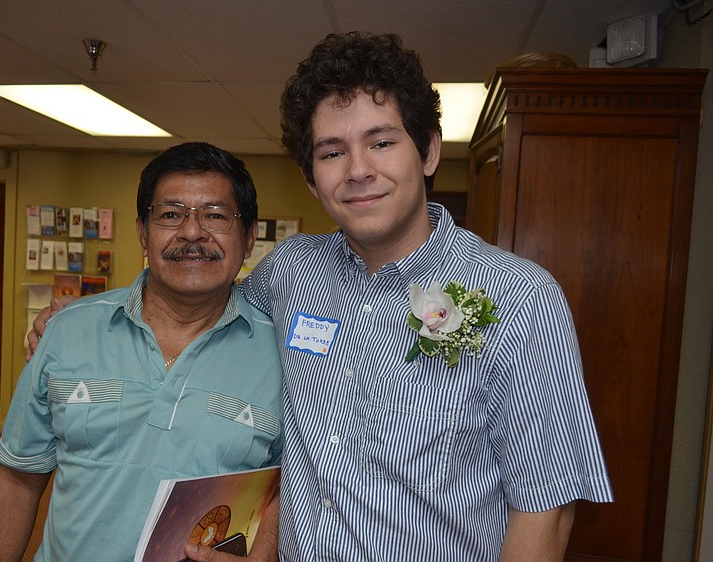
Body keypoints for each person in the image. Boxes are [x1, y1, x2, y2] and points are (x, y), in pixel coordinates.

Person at [30, 32, 613, 561]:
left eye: (381, 142)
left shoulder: (518, 299)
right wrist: (75, 317)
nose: (357, 170)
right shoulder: (290, 272)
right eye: (332, 152)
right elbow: (201, 307)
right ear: (312, 177)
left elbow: (547, 506)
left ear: (430, 152)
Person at [0, 142, 284, 562]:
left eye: (215, 215)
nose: (192, 232)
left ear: (248, 239)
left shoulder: (284, 356)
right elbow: (16, 478)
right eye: (171, 214)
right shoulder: (66, 331)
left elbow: (295, 487)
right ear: (143, 233)